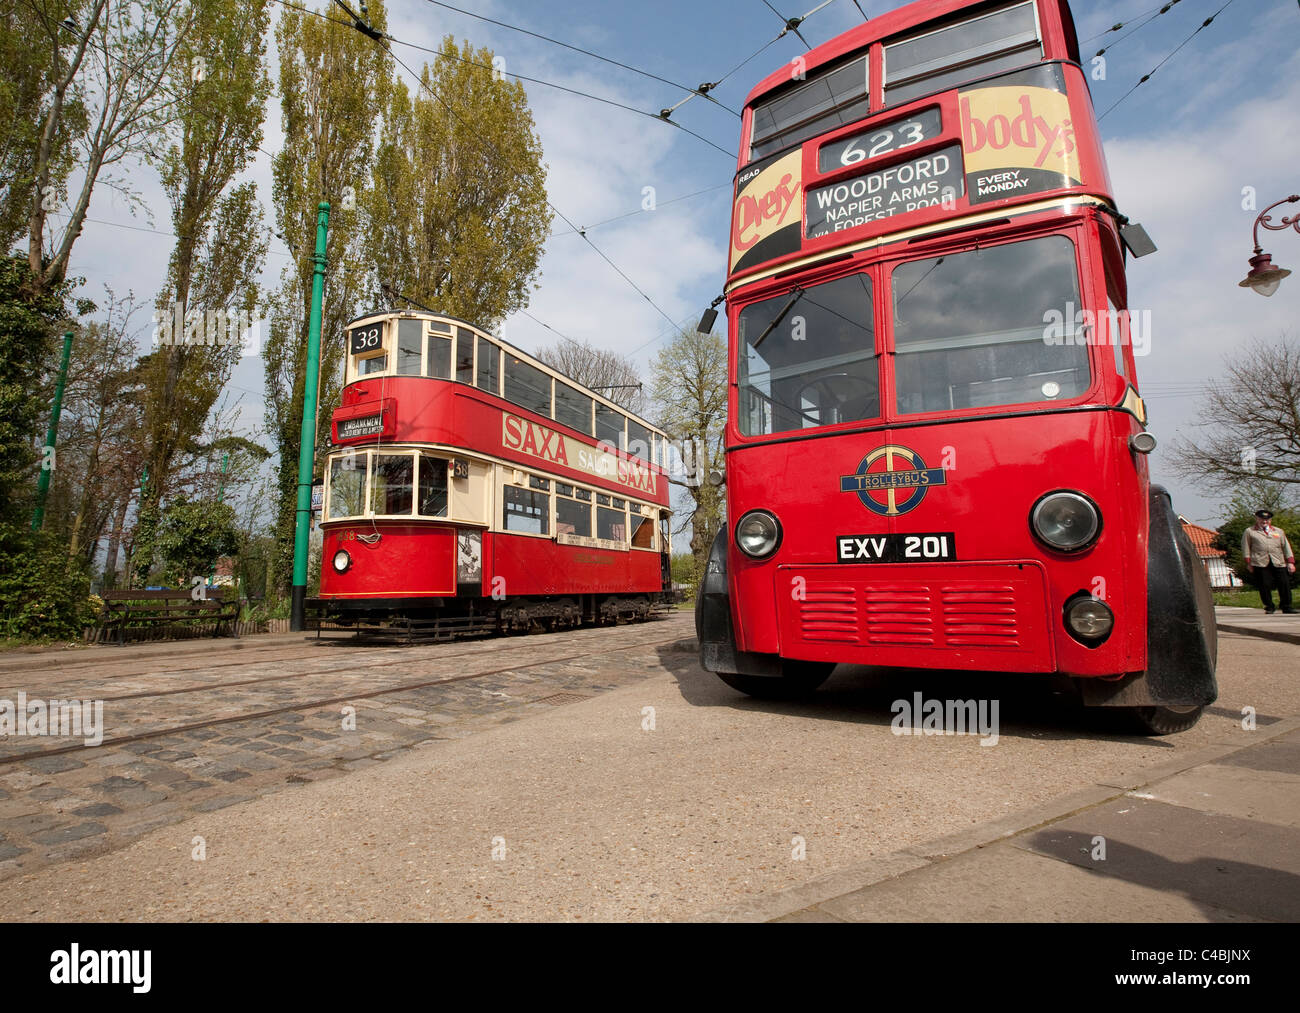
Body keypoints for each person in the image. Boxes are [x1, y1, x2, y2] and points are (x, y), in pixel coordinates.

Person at [1241, 509, 1296, 614]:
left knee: (1284, 583)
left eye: (1267, 519)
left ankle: (1286, 606)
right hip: (1260, 561)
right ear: (1257, 519)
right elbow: (1246, 547)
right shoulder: (1250, 531)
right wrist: (1248, 562)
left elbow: (1286, 547)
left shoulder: (1278, 531)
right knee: (1264, 584)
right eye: (1262, 519)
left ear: (1270, 520)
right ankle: (1269, 606)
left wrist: (1290, 561)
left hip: (1278, 560)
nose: (1264, 521)